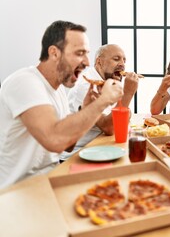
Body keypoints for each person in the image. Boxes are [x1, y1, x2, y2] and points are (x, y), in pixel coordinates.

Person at [0, 20, 123, 189]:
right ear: (54, 53)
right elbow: (55, 140)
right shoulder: (25, 82)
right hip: (17, 192)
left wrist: (87, 109)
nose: (87, 62)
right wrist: (102, 102)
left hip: (49, 179)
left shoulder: (58, 90)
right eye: (79, 53)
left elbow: (68, 143)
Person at [60, 44, 139, 161]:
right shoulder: (87, 86)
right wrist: (128, 93)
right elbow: (109, 128)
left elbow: (123, 117)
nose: (122, 64)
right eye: (116, 59)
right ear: (99, 62)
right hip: (78, 155)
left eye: (124, 60)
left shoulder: (109, 82)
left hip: (102, 147)